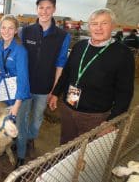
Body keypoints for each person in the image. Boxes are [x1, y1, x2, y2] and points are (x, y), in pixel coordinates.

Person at [49, 8, 134, 144]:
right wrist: (55, 93)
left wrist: (112, 121)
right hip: (68, 108)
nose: (98, 28)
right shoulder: (80, 46)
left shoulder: (123, 54)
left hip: (95, 116)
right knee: (65, 144)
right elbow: (67, 73)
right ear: (89, 27)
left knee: (87, 152)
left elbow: (125, 92)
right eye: (94, 24)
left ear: (113, 26)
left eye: (104, 23)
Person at [21, 0, 71, 149]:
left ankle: (31, 138)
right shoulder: (26, 31)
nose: (44, 11)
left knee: (37, 117)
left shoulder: (62, 36)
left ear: (54, 9)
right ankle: (21, 139)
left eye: (48, 7)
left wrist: (54, 90)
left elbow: (60, 64)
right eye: (41, 7)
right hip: (26, 86)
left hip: (44, 88)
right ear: (37, 9)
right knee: (24, 115)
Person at [0, 14, 30, 168]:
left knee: (19, 126)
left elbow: (23, 78)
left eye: (10, 28)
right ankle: (8, 145)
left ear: (16, 31)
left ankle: (21, 156)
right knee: (4, 120)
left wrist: (16, 105)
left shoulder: (20, 51)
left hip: (19, 94)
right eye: (3, 27)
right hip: (4, 89)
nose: (6, 31)